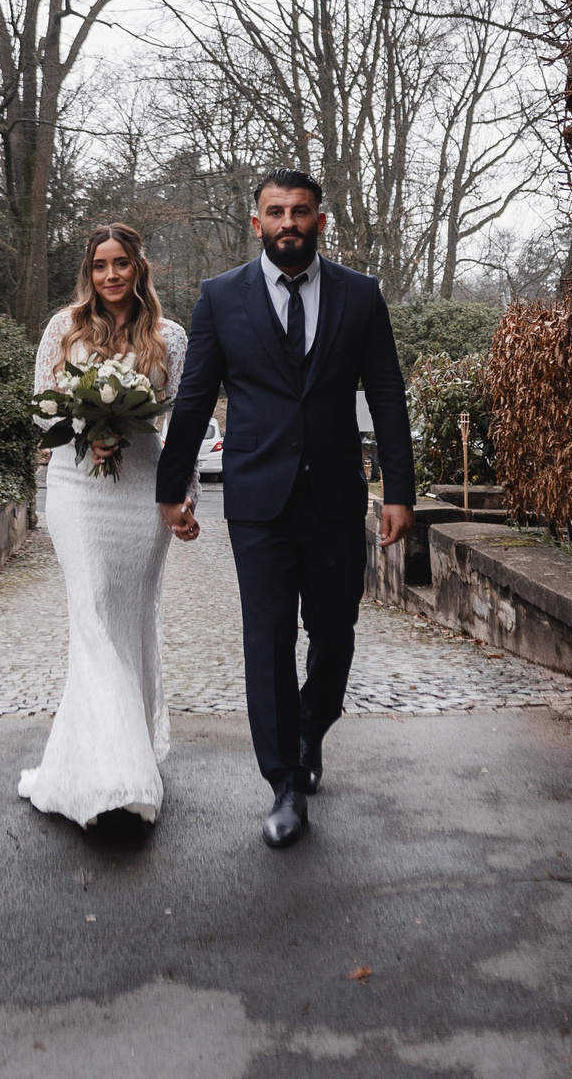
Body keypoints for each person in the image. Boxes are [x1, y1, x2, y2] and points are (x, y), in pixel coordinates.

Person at [155, 170, 417, 849]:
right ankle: (284, 783)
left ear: (320, 221)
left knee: (335, 631)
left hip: (335, 495)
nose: (288, 221)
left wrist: (398, 490)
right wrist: (172, 485)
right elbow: (193, 400)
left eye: (301, 210)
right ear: (256, 222)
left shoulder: (360, 295)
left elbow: (387, 391)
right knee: (268, 638)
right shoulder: (220, 297)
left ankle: (311, 724)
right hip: (257, 499)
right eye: (276, 211)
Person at [16, 224, 196, 829]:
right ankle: (113, 776)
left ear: (139, 267)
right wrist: (87, 430)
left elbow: (183, 426)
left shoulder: (170, 338)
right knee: (91, 610)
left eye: (121, 263)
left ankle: (127, 752)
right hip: (77, 487)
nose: (111, 275)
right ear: (88, 272)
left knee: (129, 617)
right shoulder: (63, 328)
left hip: (142, 491)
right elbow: (43, 411)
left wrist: (184, 495)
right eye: (100, 265)